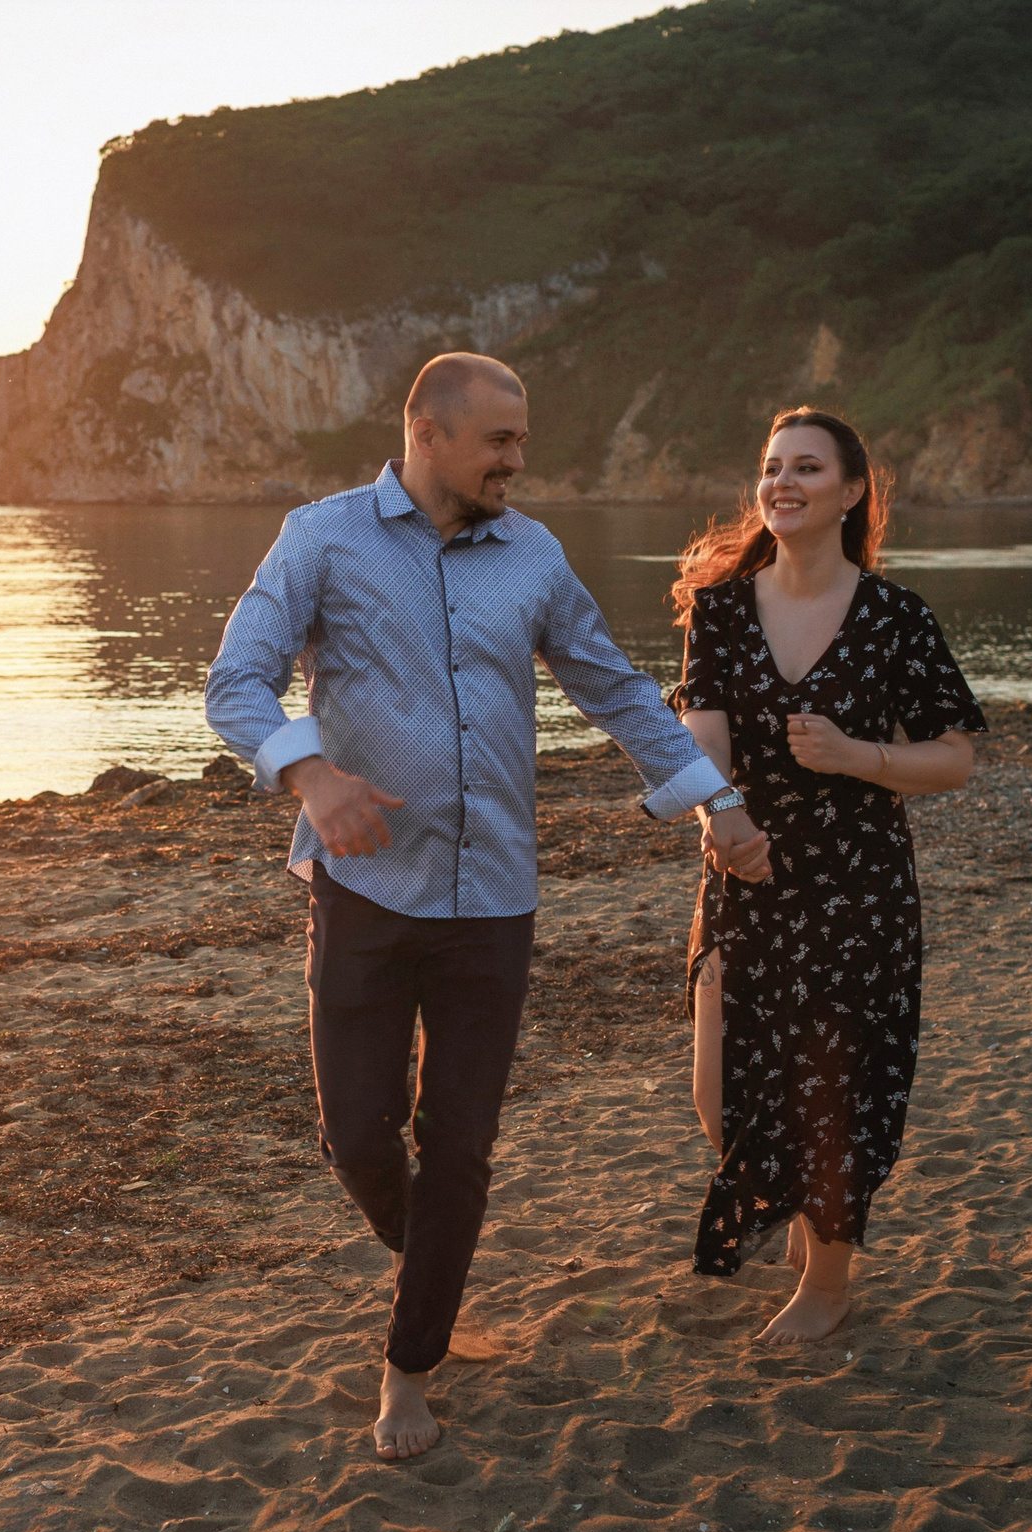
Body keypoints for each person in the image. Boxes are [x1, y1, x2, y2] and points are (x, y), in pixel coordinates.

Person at [205, 352, 770, 1460]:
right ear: (427, 432)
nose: (517, 460)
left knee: (458, 1145)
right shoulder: (322, 538)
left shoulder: (534, 553)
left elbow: (614, 687)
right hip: (364, 891)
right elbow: (236, 681)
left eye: (520, 440)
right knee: (355, 1138)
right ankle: (437, 1265)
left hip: (494, 896)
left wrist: (720, 800)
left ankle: (408, 1365)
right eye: (499, 441)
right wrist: (313, 778)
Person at [673, 407, 984, 1342]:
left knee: (835, 1087)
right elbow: (701, 738)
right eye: (772, 467)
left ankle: (828, 1279)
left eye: (806, 468)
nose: (782, 483)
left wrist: (858, 756)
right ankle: (804, 1214)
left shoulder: (895, 618)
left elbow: (955, 757)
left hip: (860, 887)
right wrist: (718, 818)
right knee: (721, 1091)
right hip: (747, 873)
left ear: (851, 493)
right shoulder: (722, 611)